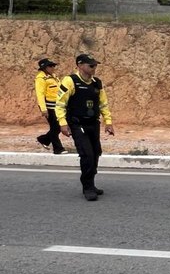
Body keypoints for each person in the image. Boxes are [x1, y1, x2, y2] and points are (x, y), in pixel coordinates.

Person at [55, 54, 114, 201]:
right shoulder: (70, 81)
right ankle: (87, 187)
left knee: (95, 153)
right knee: (86, 155)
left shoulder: (97, 83)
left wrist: (108, 121)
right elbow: (60, 103)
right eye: (91, 65)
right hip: (77, 124)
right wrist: (62, 123)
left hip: (93, 123)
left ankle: (91, 183)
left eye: (95, 65)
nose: (94, 68)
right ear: (80, 65)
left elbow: (103, 104)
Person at [34, 58, 67, 154]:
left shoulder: (53, 76)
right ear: (44, 67)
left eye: (53, 65)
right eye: (50, 66)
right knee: (55, 127)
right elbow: (40, 94)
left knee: (57, 126)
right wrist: (44, 109)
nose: (53, 67)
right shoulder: (40, 79)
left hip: (57, 105)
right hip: (49, 107)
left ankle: (44, 139)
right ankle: (58, 148)